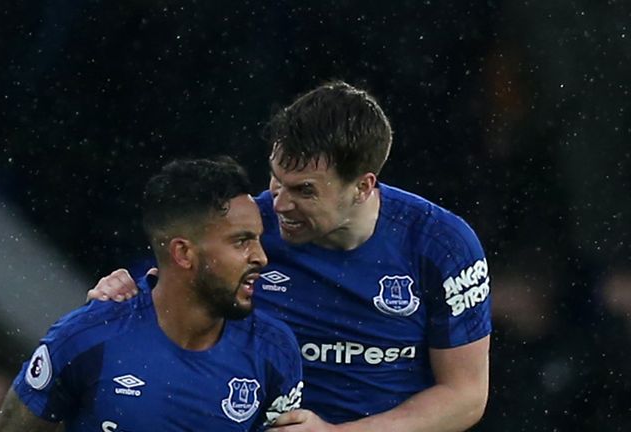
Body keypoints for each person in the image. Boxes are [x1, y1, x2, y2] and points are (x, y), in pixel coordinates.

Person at [89, 82, 491, 431]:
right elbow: (169, 303)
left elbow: (465, 395)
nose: (280, 204)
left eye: (304, 191)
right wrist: (120, 300)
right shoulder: (246, 227)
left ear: (363, 186)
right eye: (276, 181)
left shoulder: (441, 246)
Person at [0, 158, 304, 431]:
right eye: (241, 242)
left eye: (258, 240)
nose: (261, 257)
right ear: (183, 253)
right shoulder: (85, 338)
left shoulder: (273, 352)